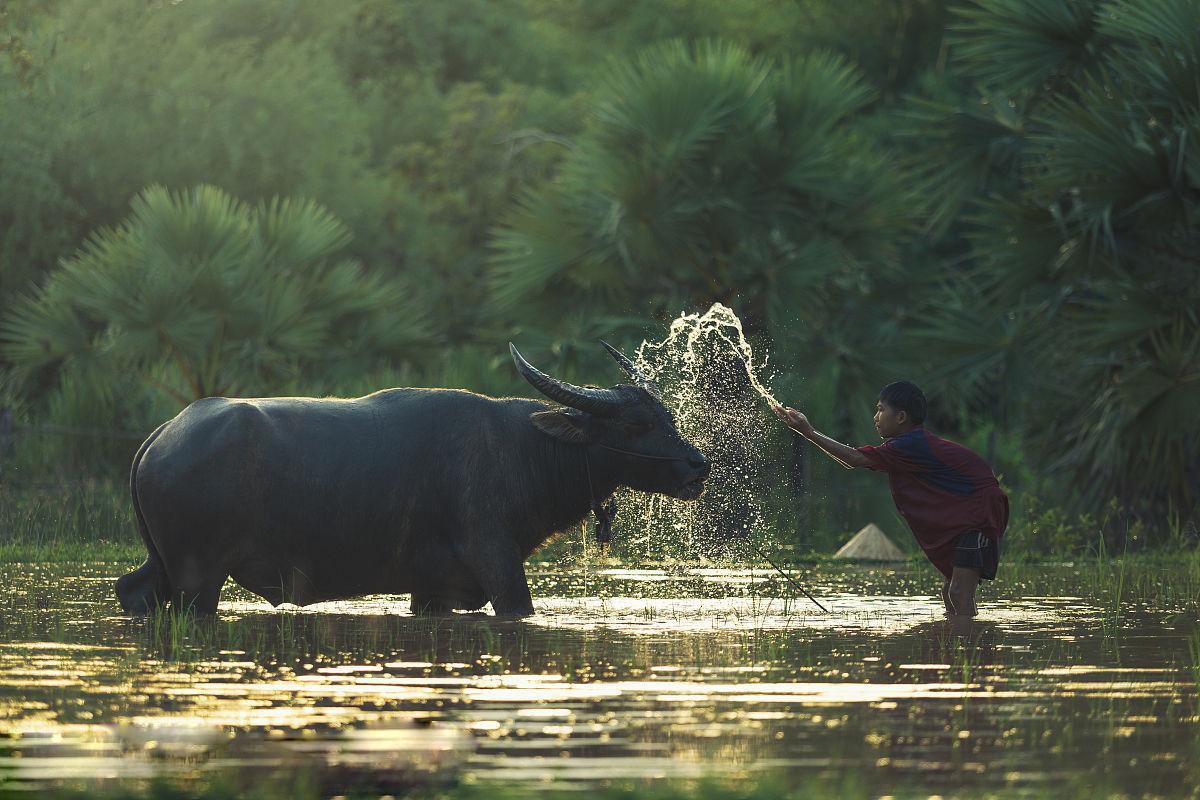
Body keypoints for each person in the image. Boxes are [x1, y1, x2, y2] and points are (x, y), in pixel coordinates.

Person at [771, 381, 1008, 617]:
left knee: (958, 592)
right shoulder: (906, 445)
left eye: (881, 409)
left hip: (978, 513)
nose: (876, 417)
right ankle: (955, 647)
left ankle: (971, 645)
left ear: (901, 417)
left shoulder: (911, 444)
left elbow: (854, 458)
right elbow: (853, 461)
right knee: (950, 591)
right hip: (967, 512)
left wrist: (808, 432)